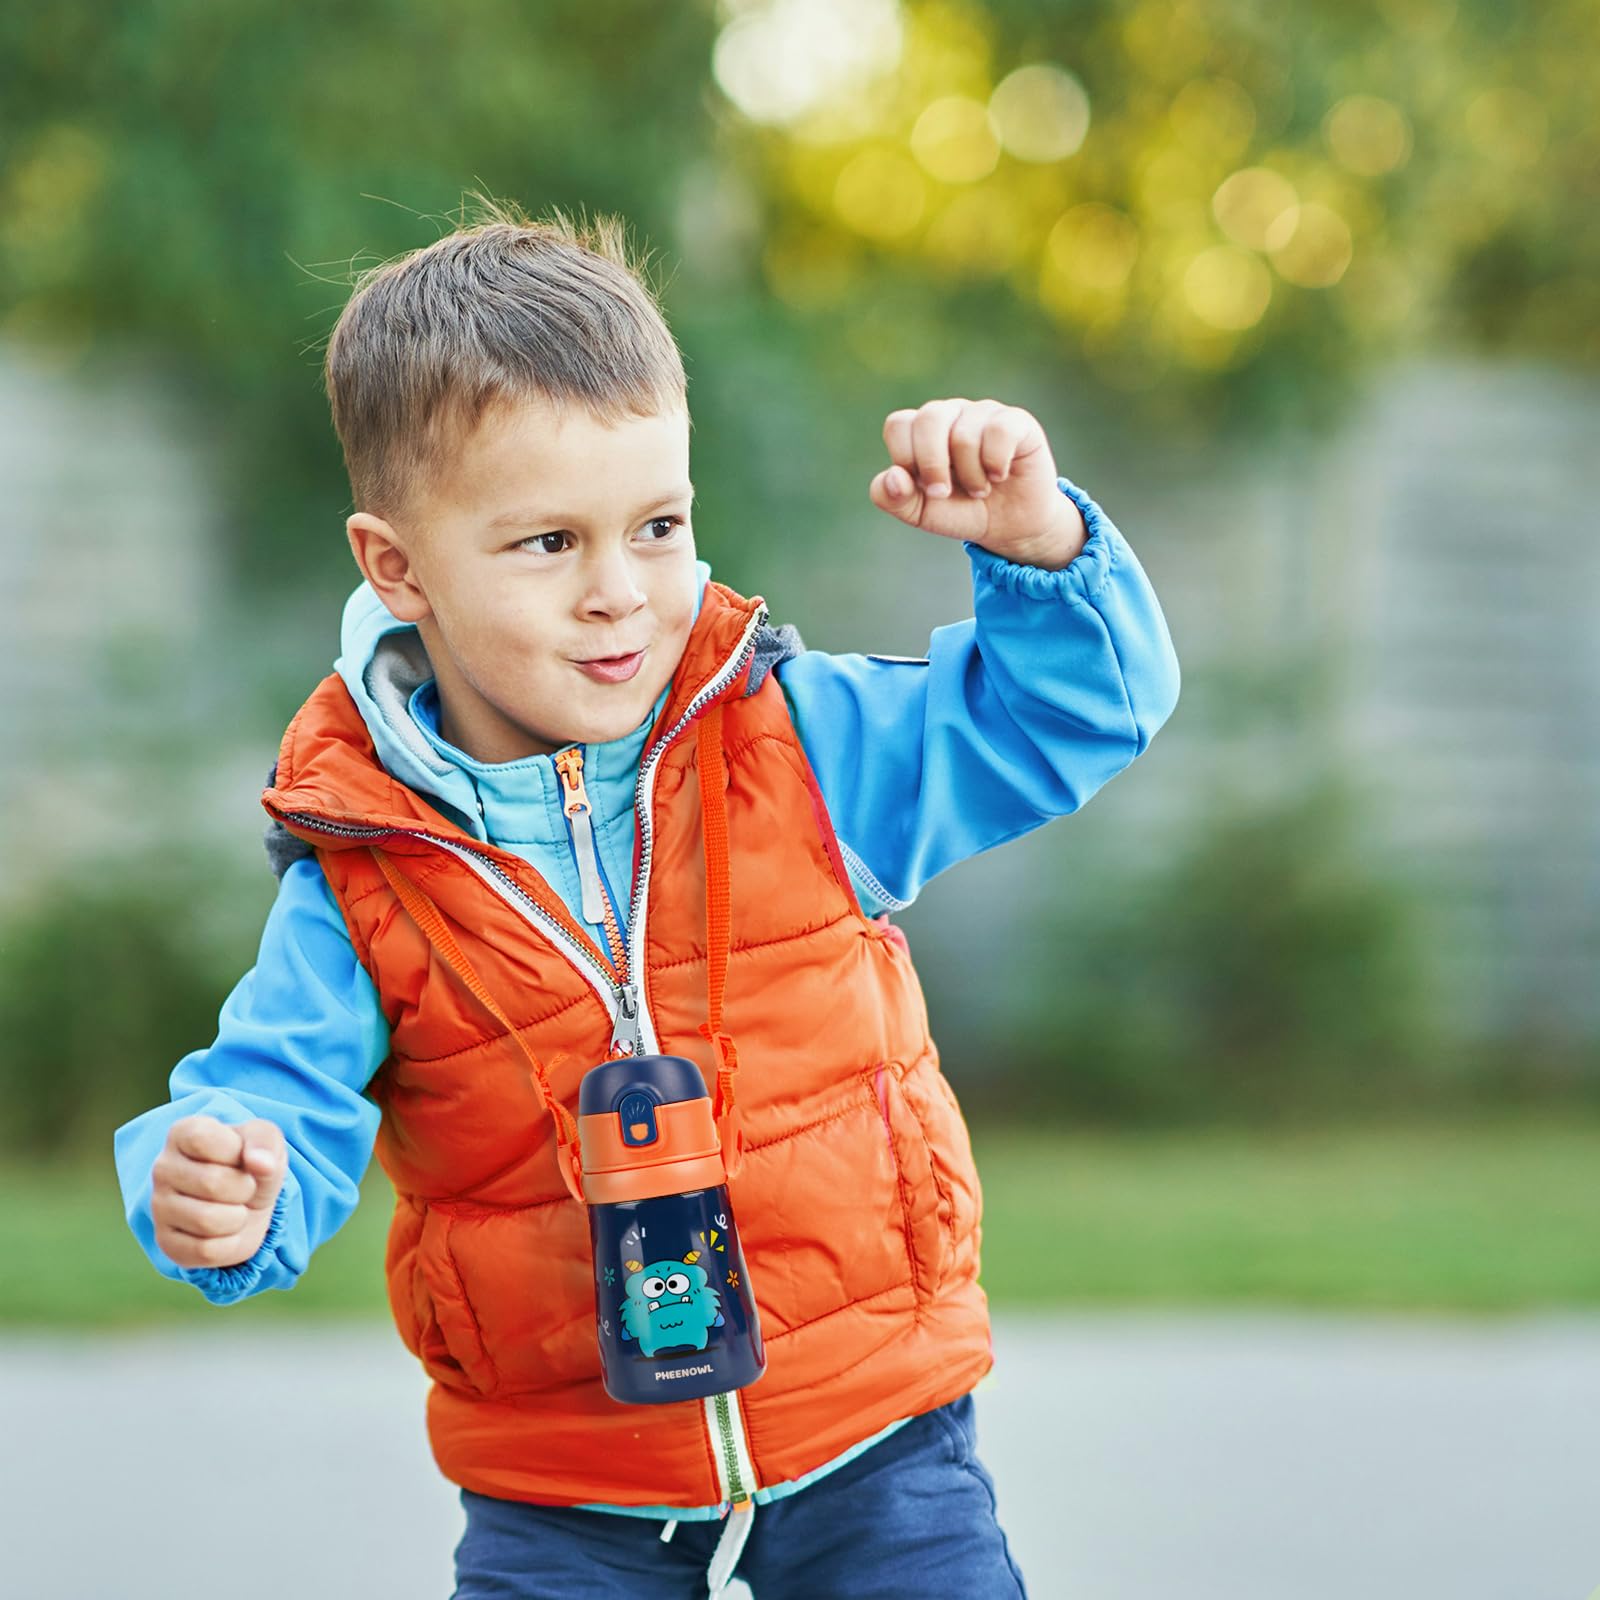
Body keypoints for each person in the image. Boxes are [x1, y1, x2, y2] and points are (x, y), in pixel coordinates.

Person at [113, 199, 1181, 1599]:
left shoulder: (794, 746)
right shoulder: (364, 874)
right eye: (549, 544)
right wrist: (213, 1178)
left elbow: (1075, 715)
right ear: (397, 566)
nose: (622, 593)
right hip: (564, 1502)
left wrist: (1042, 551)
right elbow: (270, 1106)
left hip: (875, 1445)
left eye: (658, 524)